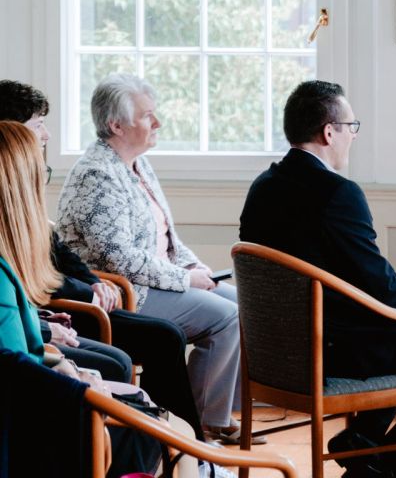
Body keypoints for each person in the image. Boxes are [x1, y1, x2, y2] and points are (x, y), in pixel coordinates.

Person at [55, 74, 253, 445]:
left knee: (244, 306)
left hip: (157, 277)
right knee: (226, 317)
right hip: (129, 290)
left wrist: (193, 265)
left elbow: (167, 237)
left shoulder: (139, 164)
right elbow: (119, 259)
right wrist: (185, 280)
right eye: (148, 116)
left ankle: (214, 417)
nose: (157, 122)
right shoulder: (96, 174)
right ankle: (197, 427)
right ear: (116, 125)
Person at [0, 79, 204, 434]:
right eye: (38, 124)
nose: (47, 135)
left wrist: (91, 282)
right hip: (60, 308)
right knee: (160, 340)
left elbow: (54, 249)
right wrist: (54, 319)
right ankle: (174, 443)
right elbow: (27, 277)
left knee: (160, 339)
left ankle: (177, 439)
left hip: (59, 305)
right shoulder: (89, 173)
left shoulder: (135, 166)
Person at [239, 80, 396, 477]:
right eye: (351, 126)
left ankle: (363, 447)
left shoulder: (263, 186)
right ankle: (386, 464)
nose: (352, 136)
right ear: (328, 132)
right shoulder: (338, 193)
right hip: (331, 350)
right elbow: (378, 281)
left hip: (274, 351)